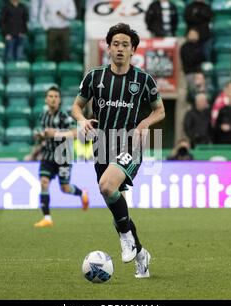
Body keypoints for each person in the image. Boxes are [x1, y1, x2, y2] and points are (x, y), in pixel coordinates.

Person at [71, 23, 165, 278]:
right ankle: (141, 254)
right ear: (108, 48)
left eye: (125, 44)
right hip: (101, 145)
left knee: (106, 186)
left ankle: (126, 238)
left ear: (133, 50)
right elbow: (76, 107)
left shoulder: (143, 80)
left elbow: (160, 110)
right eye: (116, 44)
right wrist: (81, 120)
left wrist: (144, 123)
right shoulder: (94, 77)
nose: (120, 48)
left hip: (129, 144)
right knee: (116, 204)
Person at [34, 86, 89, 228]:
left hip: (64, 156)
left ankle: (82, 192)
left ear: (59, 100)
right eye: (50, 96)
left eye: (56, 97)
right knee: (44, 182)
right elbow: (41, 135)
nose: (53, 99)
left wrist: (56, 134)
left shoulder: (64, 115)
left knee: (64, 188)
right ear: (46, 99)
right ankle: (47, 218)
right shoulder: (42, 116)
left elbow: (76, 133)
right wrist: (39, 136)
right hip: (47, 156)